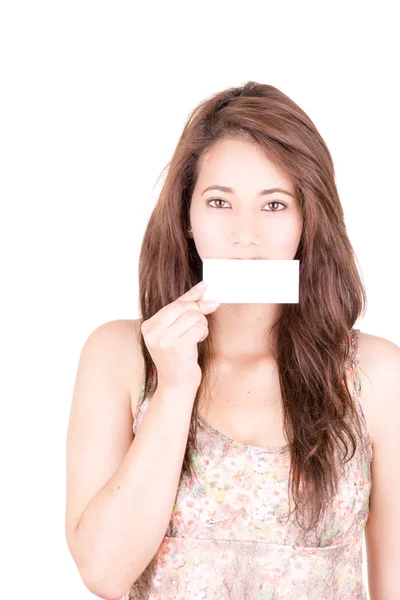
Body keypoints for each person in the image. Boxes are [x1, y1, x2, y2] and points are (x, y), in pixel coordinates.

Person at [65, 81, 400, 599]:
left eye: (274, 205)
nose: (246, 235)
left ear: (308, 221)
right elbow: (104, 574)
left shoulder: (375, 376)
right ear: (188, 219)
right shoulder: (119, 358)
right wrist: (175, 389)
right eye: (220, 202)